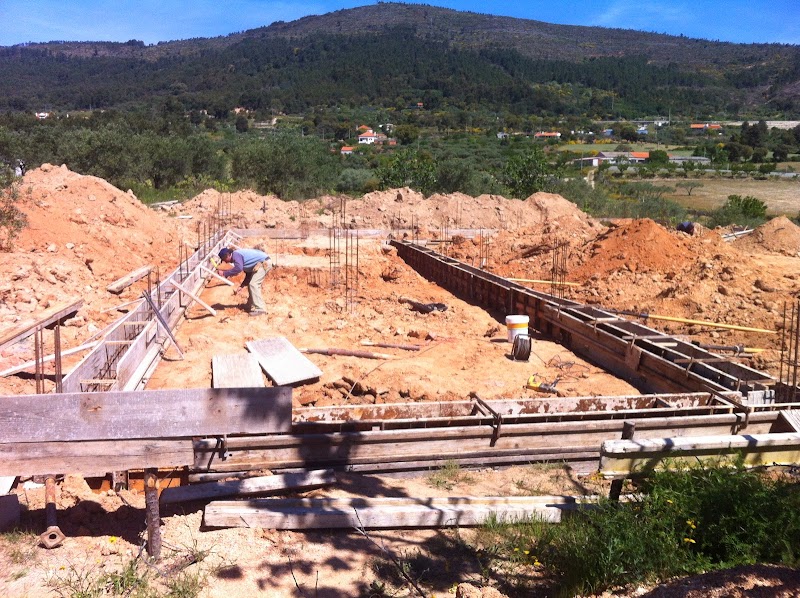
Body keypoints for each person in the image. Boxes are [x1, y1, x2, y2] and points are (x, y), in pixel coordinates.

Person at [217, 247, 271, 316]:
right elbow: (248, 275)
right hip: (261, 263)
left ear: (227, 255)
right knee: (251, 284)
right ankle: (251, 305)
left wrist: (225, 273)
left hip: (264, 263)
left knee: (253, 284)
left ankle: (260, 309)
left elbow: (238, 268)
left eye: (224, 260)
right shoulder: (240, 259)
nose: (226, 262)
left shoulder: (236, 255)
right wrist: (242, 286)